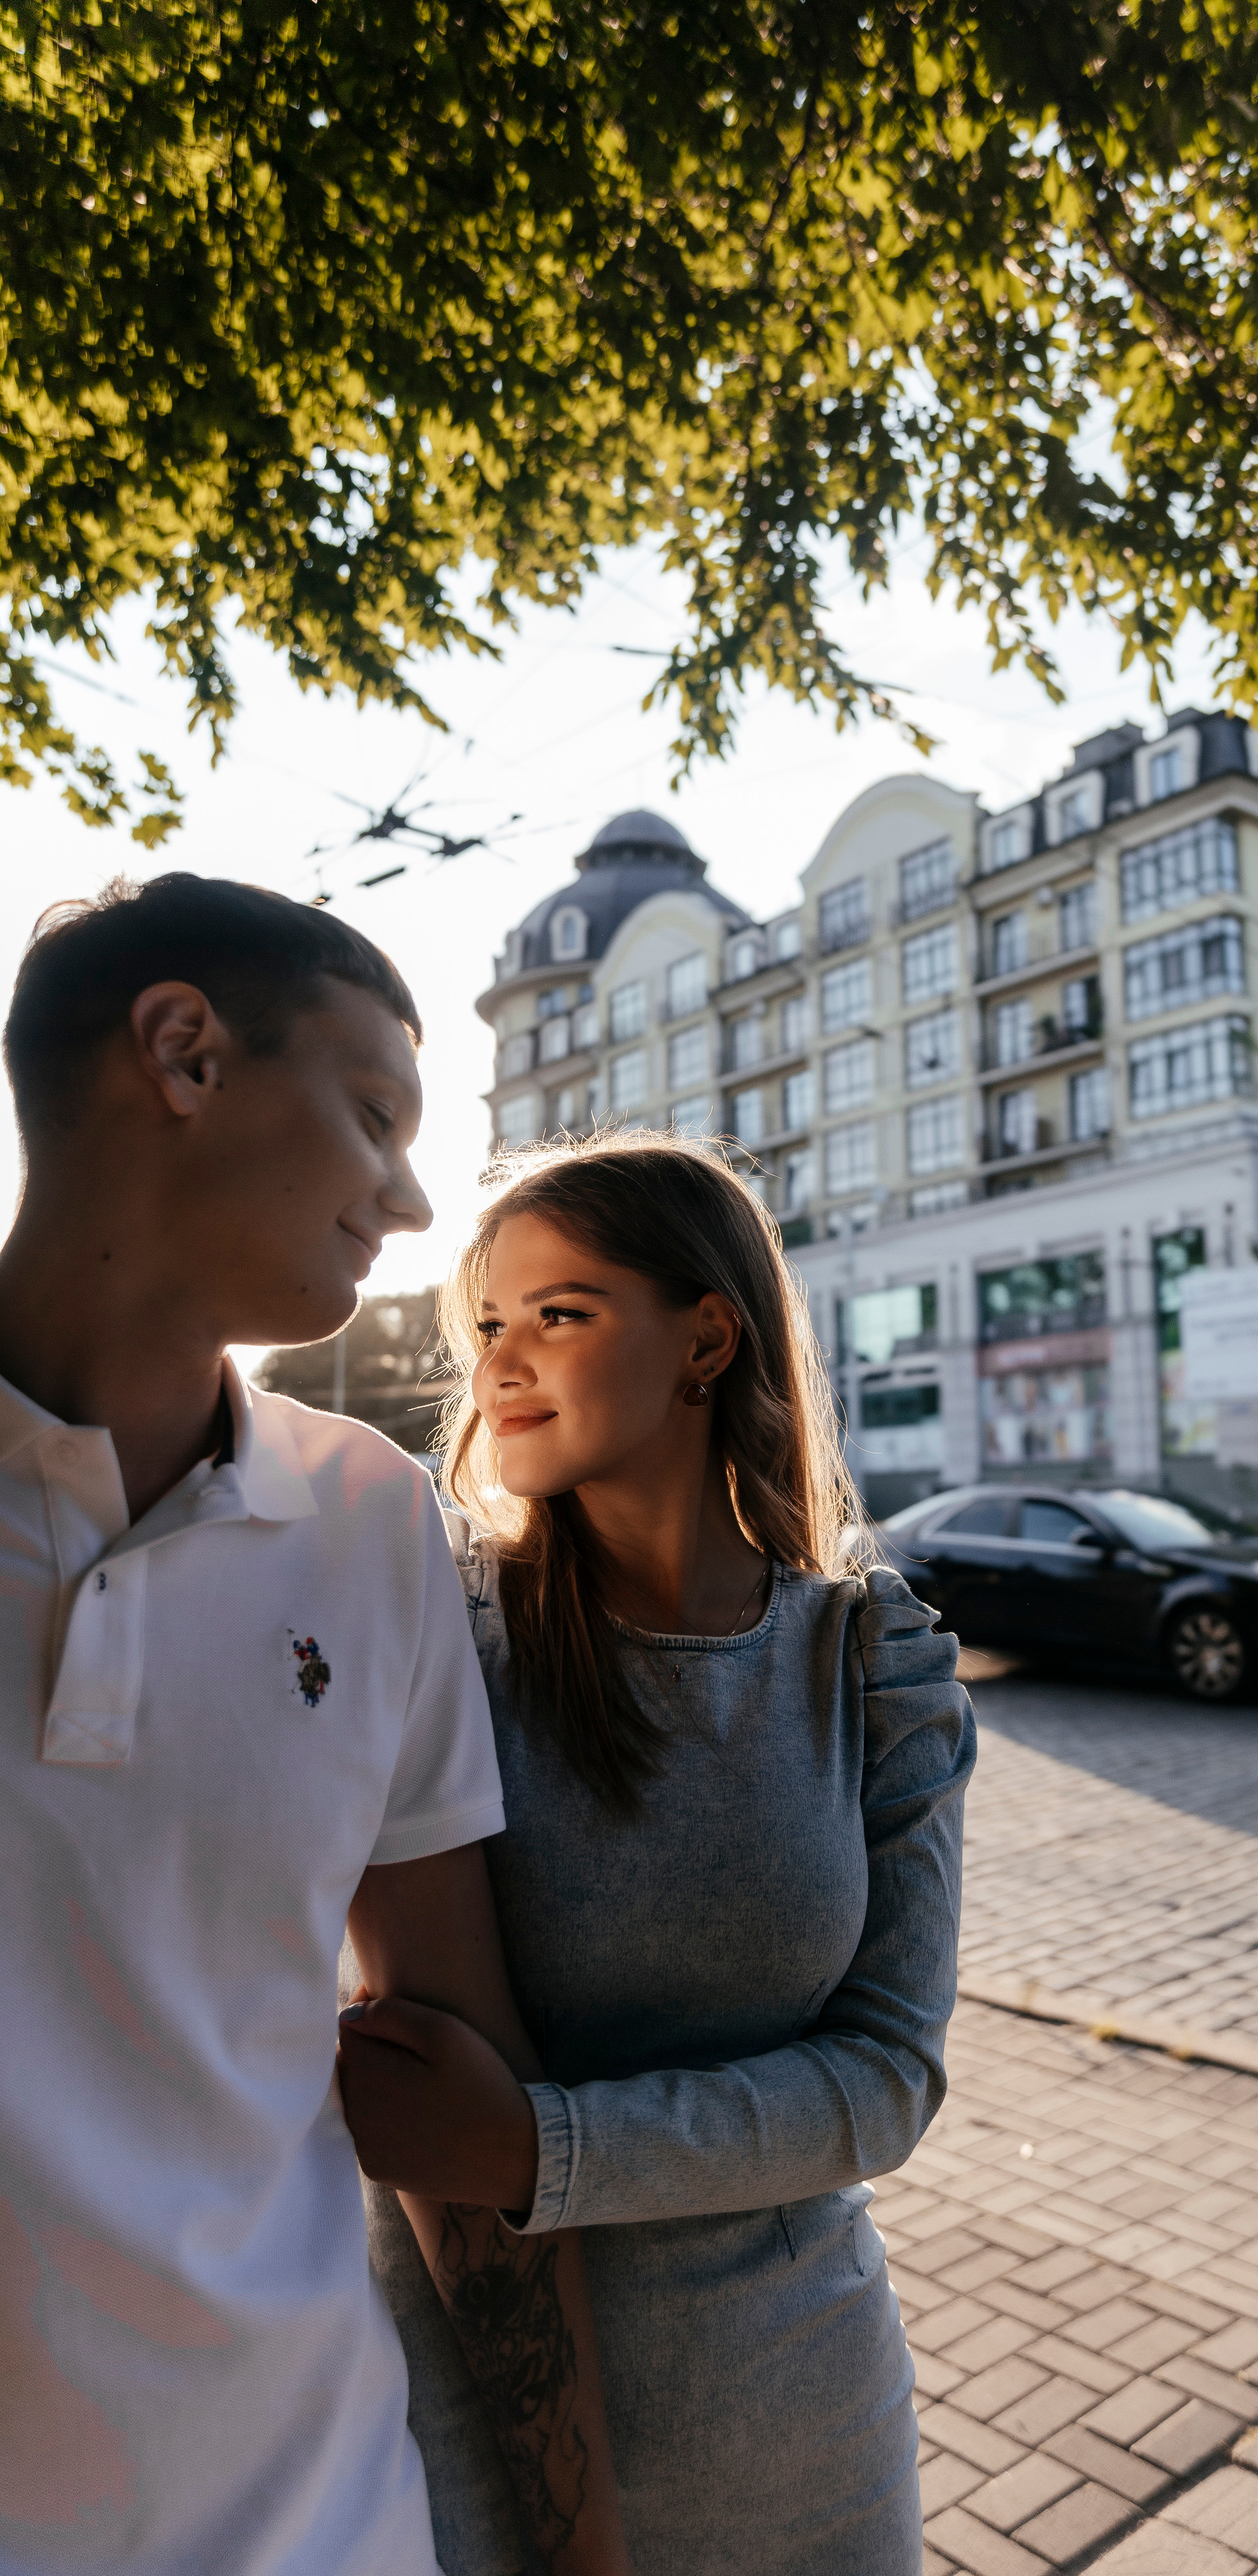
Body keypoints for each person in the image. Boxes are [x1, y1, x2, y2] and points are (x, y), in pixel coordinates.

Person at [0, 877, 621, 2576]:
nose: (415, 1201)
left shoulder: (368, 1523)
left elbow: (455, 2069)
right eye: (374, 1116)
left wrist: (582, 2558)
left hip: (319, 2528)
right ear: (183, 1053)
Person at [338, 1136, 977, 2575]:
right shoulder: (437, 1634)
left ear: (704, 1339)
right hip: (459, 2413)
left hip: (797, 2419)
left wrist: (541, 2147)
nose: (501, 1363)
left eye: (558, 1314)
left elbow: (888, 2077)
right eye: (485, 1324)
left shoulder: (876, 1659)